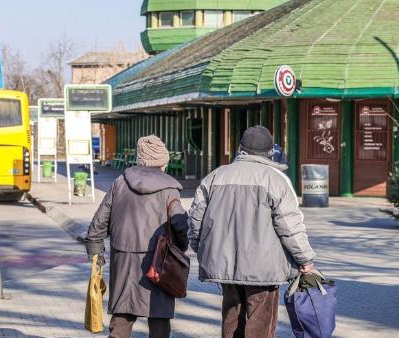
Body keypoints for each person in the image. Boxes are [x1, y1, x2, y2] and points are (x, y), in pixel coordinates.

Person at [188, 125, 316, 338]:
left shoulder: (215, 177)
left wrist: (204, 251)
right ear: (269, 152)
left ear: (240, 148)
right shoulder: (276, 180)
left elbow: (195, 222)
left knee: (231, 318)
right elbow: (290, 226)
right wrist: (304, 259)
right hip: (264, 269)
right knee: (260, 324)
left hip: (225, 265)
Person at [86, 135, 188, 338]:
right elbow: (181, 225)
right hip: (159, 263)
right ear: (162, 162)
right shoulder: (170, 189)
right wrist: (181, 248)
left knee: (122, 320)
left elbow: (97, 225)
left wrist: (96, 255)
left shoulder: (120, 182)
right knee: (159, 321)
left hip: (123, 260)